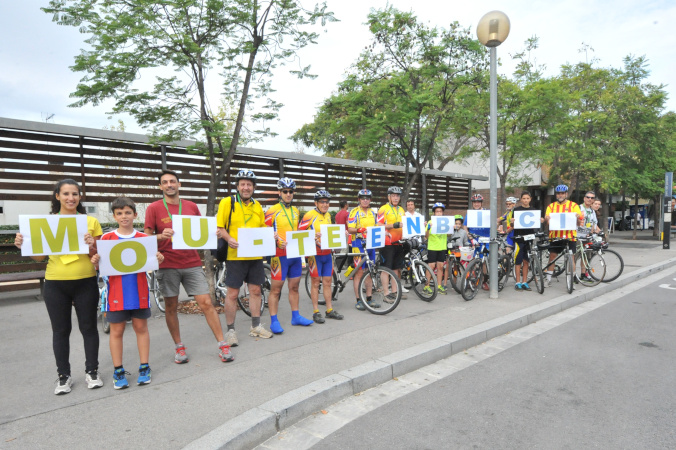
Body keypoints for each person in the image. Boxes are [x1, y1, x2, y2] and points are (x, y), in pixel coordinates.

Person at [14, 179, 103, 395]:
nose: (71, 198)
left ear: (80, 197)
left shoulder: (90, 221)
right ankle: (63, 377)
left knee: (89, 328)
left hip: (85, 281)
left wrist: (93, 245)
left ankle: (92, 372)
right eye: (66, 194)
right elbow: (39, 256)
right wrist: (22, 243)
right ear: (57, 196)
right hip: (55, 283)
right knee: (60, 331)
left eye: (75, 194)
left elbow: (99, 257)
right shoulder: (46, 222)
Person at [144, 169, 232, 364]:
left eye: (172, 181)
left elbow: (200, 234)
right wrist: (160, 236)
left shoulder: (191, 206)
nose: (169, 185)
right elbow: (145, 238)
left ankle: (222, 344)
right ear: (160, 186)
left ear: (179, 184)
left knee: (207, 304)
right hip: (167, 265)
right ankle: (179, 347)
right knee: (171, 306)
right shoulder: (154, 208)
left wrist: (213, 234)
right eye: (165, 182)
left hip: (192, 263)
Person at [91, 197, 165, 388]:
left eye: (127, 212)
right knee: (116, 331)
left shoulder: (144, 239)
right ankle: (118, 371)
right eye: (120, 213)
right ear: (114, 216)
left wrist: (159, 258)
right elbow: (101, 266)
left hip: (139, 292)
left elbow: (151, 263)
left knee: (141, 329)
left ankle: (144, 367)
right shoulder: (106, 239)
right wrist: (96, 261)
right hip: (115, 295)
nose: (124, 216)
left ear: (135, 214)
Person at [217, 169, 273, 343]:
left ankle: (256, 326)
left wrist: (271, 234)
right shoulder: (227, 202)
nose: (246, 187)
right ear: (237, 186)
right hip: (235, 256)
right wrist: (229, 238)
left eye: (249, 184)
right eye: (243, 184)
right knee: (233, 294)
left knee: (256, 290)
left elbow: (262, 226)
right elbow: (219, 229)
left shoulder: (257, 205)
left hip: (254, 255)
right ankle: (230, 331)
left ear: (253, 187)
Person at [264, 178, 313, 333]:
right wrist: (276, 239)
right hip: (279, 255)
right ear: (279, 193)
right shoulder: (272, 210)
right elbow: (265, 231)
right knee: (276, 289)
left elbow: (298, 231)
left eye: (291, 191)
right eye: (285, 191)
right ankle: (274, 321)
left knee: (294, 286)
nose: (288, 194)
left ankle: (296, 316)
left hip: (295, 253)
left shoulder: (296, 211)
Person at [299, 190, 344, 322]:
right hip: (315, 255)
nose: (325, 204)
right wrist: (313, 236)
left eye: (327, 202)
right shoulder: (309, 215)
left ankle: (329, 309)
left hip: (327, 254)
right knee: (315, 282)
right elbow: (299, 232)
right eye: (322, 202)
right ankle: (316, 311)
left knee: (328, 282)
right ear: (316, 203)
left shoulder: (328, 215)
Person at [543, 184, 584, 287]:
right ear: (556, 195)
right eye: (558, 193)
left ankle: (572, 280)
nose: (560, 195)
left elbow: (579, 223)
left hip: (570, 236)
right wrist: (547, 219)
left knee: (571, 257)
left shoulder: (574, 206)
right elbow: (548, 223)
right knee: (552, 256)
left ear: (566, 194)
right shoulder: (551, 206)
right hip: (555, 236)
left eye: (562, 193)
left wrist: (579, 218)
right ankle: (548, 279)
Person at [347, 189, 378, 310]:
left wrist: (384, 232)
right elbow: (350, 229)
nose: (365, 200)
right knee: (359, 273)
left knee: (369, 271)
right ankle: (358, 299)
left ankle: (369, 298)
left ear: (370, 200)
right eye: (363, 198)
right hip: (358, 243)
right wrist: (359, 229)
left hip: (370, 243)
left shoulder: (372, 212)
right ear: (359, 199)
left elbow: (376, 227)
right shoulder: (354, 212)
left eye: (368, 198)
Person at [377, 186, 406, 300]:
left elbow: (405, 224)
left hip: (398, 242)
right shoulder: (383, 209)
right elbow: (378, 224)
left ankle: (394, 291)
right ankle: (386, 293)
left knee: (396, 268)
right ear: (389, 197)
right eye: (393, 195)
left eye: (397, 196)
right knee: (386, 269)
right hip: (387, 243)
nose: (395, 198)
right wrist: (392, 226)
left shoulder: (401, 209)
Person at [512, 191, 542, 291]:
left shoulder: (533, 210)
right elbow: (512, 225)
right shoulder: (516, 210)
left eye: (527, 198)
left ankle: (525, 281)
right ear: (521, 199)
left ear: (530, 199)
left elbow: (537, 224)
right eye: (524, 198)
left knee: (526, 261)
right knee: (518, 261)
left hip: (529, 238)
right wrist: (512, 222)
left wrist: (541, 221)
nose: (525, 200)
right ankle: (517, 282)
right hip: (519, 238)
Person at [464, 193, 491, 290]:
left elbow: (493, 223)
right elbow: (465, 226)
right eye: (474, 202)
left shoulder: (487, 212)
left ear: (481, 203)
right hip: (473, 239)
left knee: (483, 262)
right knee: (472, 260)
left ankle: (484, 281)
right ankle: (470, 279)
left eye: (478, 202)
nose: (476, 204)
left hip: (485, 239)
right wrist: (468, 235)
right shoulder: (470, 213)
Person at [425, 203, 449, 294]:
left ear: (442, 212)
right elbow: (426, 236)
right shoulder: (430, 222)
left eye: (440, 211)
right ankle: (426, 286)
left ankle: (439, 286)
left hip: (442, 247)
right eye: (437, 211)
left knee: (440, 267)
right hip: (432, 247)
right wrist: (427, 228)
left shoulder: (446, 222)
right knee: (431, 266)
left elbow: (449, 234)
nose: (439, 213)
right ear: (434, 213)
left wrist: (452, 228)